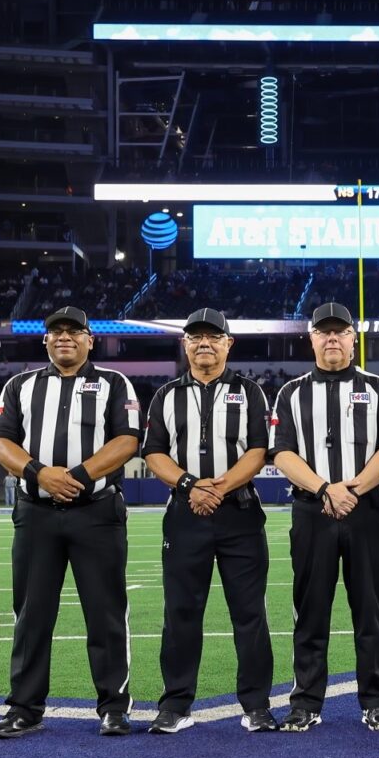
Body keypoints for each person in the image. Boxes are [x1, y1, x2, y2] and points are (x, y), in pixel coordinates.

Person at [0, 306, 141, 738]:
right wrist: (40, 474)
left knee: (106, 612)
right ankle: (25, 707)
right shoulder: (21, 385)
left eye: (74, 331)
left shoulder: (114, 383)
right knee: (31, 614)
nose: (65, 337)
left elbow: (127, 440)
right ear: (45, 340)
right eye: (56, 332)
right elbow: (0, 443)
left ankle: (114, 706)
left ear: (91, 339)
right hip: (36, 514)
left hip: (96, 512)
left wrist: (78, 478)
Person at [141, 309, 277, 734]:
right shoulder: (165, 395)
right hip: (185, 515)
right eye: (196, 336)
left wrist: (216, 488)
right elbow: (154, 452)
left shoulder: (251, 391)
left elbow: (258, 451)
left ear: (228, 343)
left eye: (213, 337)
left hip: (239, 512)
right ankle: (176, 703)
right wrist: (189, 485)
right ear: (185, 344)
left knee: (249, 613)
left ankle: (256, 704)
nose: (204, 343)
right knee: (181, 612)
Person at [270, 302, 379, 732]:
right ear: (311, 339)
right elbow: (283, 452)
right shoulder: (291, 392)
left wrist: (352, 490)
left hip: (364, 510)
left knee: (371, 611)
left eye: (339, 332)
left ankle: (376, 701)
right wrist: (326, 489)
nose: (331, 339)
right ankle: (306, 701)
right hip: (312, 511)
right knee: (310, 612)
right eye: (323, 332)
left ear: (352, 339)